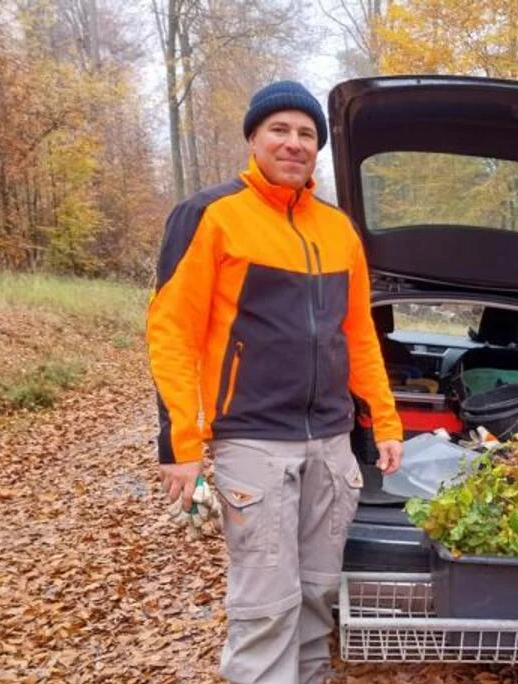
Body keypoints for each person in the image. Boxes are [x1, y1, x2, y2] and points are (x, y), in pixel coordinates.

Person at [146, 80, 403, 684]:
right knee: (265, 606)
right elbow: (171, 333)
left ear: (317, 149)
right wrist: (180, 446)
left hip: (331, 443)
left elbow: (359, 335)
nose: (293, 143)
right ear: (253, 138)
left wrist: (385, 421)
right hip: (254, 441)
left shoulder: (338, 230)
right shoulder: (211, 215)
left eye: (306, 134)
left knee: (317, 594)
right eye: (280, 130)